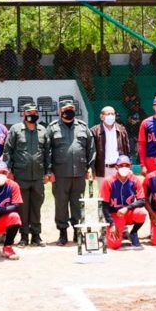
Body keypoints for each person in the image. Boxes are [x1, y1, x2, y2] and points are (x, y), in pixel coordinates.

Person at [45, 99, 96, 245]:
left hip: (79, 173)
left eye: (72, 108)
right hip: (60, 174)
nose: (69, 111)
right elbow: (47, 151)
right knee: (61, 204)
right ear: (59, 111)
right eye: (66, 109)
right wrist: (49, 171)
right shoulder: (53, 128)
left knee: (78, 203)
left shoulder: (83, 127)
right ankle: (62, 233)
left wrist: (90, 168)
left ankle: (77, 231)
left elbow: (90, 149)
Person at [3, 103, 50, 247]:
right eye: (29, 112)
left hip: (38, 176)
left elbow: (48, 153)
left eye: (35, 112)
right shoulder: (16, 129)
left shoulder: (43, 130)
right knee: (22, 207)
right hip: (20, 175)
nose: (32, 114)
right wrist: (8, 171)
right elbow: (8, 150)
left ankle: (36, 235)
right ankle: (23, 236)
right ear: (24, 114)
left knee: (36, 205)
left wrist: (48, 172)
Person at [100, 156, 147, 249]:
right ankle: (108, 232)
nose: (124, 168)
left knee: (141, 213)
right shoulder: (108, 181)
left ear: (130, 167)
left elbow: (142, 201)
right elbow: (104, 206)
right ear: (116, 167)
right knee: (114, 245)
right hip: (115, 215)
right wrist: (112, 224)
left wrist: (127, 208)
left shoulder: (134, 180)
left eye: (127, 165)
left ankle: (133, 233)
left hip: (128, 213)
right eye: (121, 165)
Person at [90, 106, 130, 180]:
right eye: (108, 114)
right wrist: (91, 168)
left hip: (119, 168)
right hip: (102, 169)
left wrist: (128, 166)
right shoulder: (94, 131)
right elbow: (91, 152)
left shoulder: (121, 130)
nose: (111, 116)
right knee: (103, 191)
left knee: (119, 191)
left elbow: (127, 149)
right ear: (101, 116)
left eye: (113, 114)